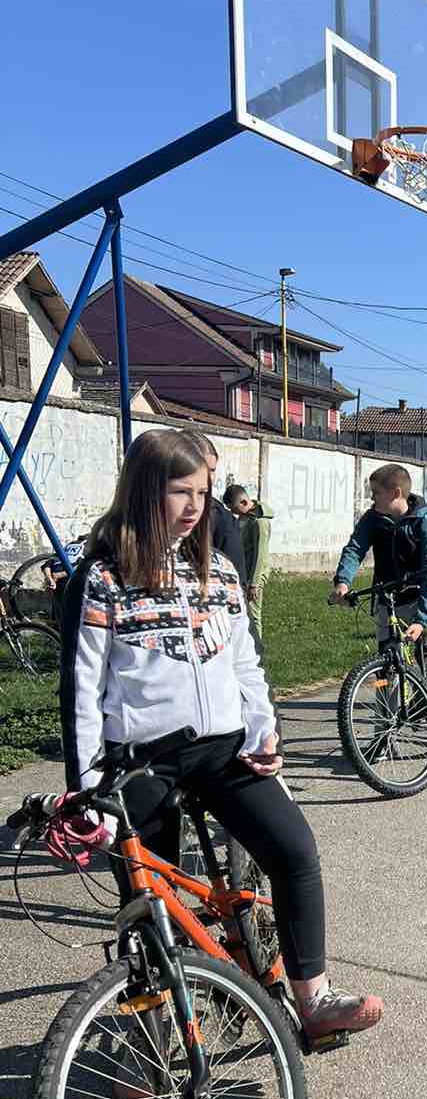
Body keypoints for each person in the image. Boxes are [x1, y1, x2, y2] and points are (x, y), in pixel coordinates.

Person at [58, 429, 382, 1038]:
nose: (194, 507)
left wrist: (264, 733)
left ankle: (313, 1000)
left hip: (225, 750)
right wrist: (88, 792)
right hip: (141, 762)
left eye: (202, 493)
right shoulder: (100, 580)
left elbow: (245, 666)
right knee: (149, 901)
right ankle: (152, 1038)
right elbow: (81, 694)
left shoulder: (218, 572)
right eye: (179, 492)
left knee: (294, 851)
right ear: (143, 492)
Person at [330, 464, 427, 717]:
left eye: (376, 492)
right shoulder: (372, 519)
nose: (372, 498)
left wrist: (421, 620)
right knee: (385, 672)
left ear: (395, 493)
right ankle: (384, 728)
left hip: (425, 590)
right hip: (390, 597)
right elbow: (355, 548)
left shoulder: (424, 519)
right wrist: (343, 582)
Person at [181, 432, 247, 588]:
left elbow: (237, 580)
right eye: (201, 468)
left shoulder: (222, 519)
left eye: (212, 470)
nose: (208, 477)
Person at [223, 485, 272, 641]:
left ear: (244, 502)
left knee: (253, 614)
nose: (233, 513)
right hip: (244, 573)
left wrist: (254, 584)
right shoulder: (245, 516)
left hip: (254, 575)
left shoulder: (260, 522)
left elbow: (260, 555)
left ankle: (257, 650)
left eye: (234, 509)